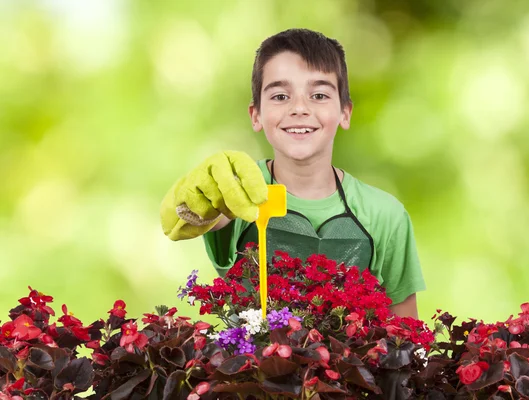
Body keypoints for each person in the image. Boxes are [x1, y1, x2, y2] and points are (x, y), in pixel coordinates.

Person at [160, 28, 426, 318]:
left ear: (345, 112)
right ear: (256, 115)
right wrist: (197, 195)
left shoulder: (384, 215)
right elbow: (181, 217)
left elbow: (406, 336)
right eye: (281, 95)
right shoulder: (238, 192)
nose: (299, 108)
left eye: (320, 94)